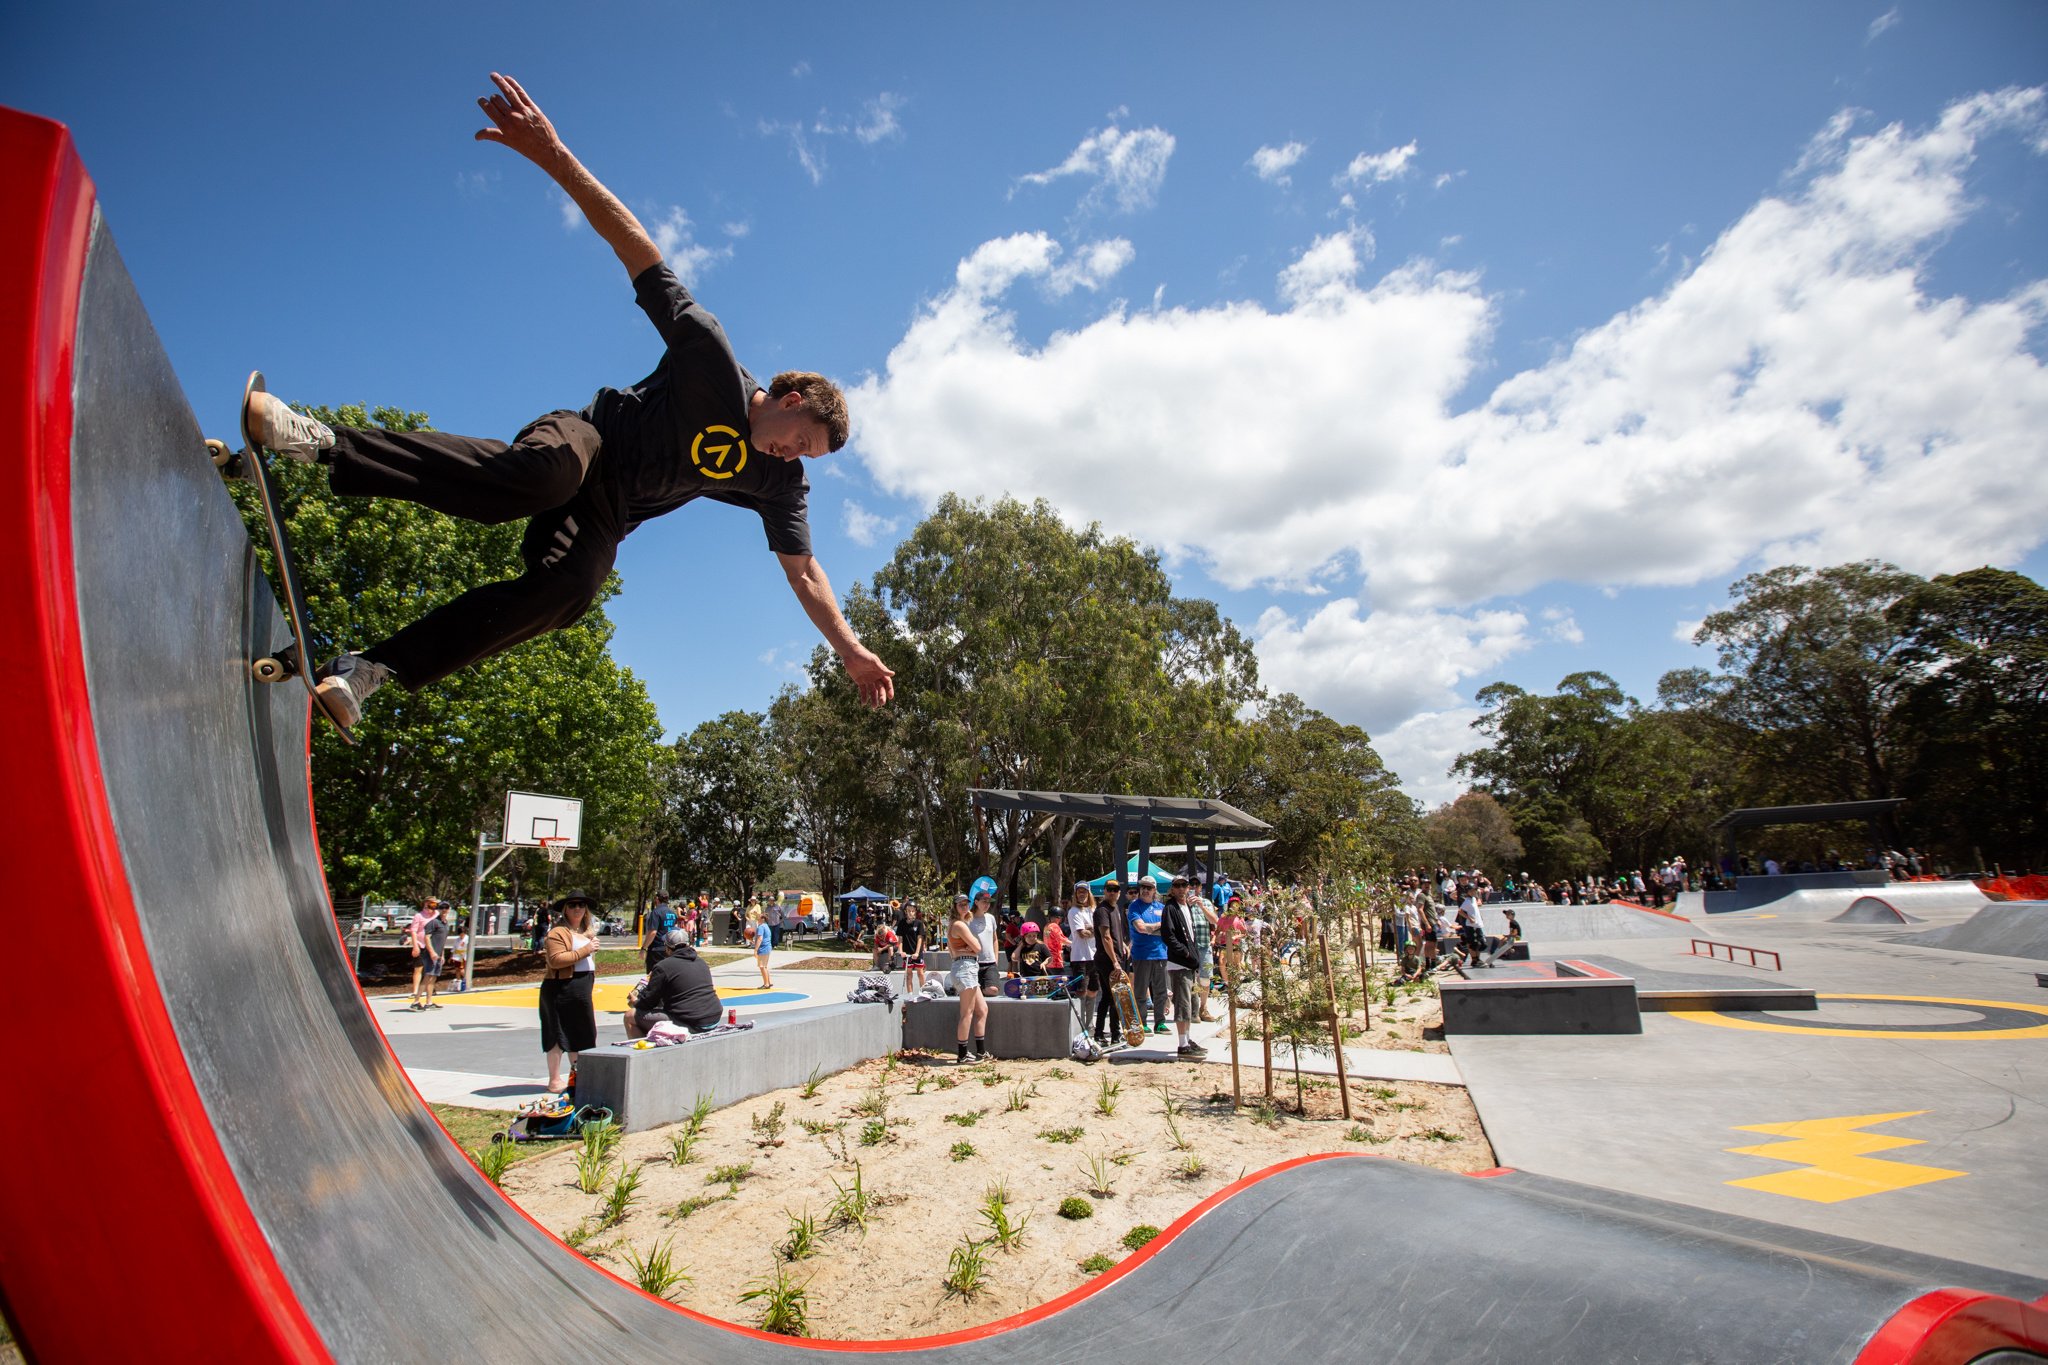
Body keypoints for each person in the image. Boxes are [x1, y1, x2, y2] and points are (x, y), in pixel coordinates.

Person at [241, 73, 896, 732]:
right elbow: (637, 249)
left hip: (607, 513)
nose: (789, 456)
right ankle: (323, 442)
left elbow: (805, 571)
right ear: (787, 398)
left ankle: (373, 669)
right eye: (797, 440)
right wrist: (551, 153)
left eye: (800, 456)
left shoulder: (779, 483)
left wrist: (850, 650)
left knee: (572, 589)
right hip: (587, 442)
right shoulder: (710, 356)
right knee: (542, 475)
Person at [541, 890, 600, 1092]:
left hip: (581, 989)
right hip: (561, 988)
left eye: (581, 905)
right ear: (565, 909)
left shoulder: (585, 933)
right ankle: (554, 1080)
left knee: (581, 1033)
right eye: (573, 905)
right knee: (558, 1034)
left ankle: (577, 1076)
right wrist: (587, 949)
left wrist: (588, 945)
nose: (577, 909)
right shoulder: (557, 932)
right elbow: (556, 960)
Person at [625, 930, 722, 1039]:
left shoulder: (663, 967)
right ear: (688, 944)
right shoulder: (700, 962)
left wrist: (636, 1002)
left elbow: (648, 1003)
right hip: (713, 1017)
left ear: (667, 947)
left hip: (692, 1022)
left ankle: (642, 1054)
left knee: (629, 1016)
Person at [1158, 882, 1203, 1057]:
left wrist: (1192, 954)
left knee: (1190, 1003)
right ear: (1172, 890)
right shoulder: (1170, 908)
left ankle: (1188, 1039)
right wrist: (1184, 952)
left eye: (1184, 886)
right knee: (1183, 1004)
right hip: (1179, 964)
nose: (1181, 890)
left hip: (1190, 962)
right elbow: (1167, 935)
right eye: (1177, 887)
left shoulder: (1186, 907)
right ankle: (1182, 1044)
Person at [945, 895, 990, 1063]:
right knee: (967, 1013)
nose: (964, 907)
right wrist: (968, 950)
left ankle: (981, 1051)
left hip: (966, 967)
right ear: (955, 907)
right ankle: (962, 1053)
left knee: (982, 1009)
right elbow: (978, 947)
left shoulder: (957, 925)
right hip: (965, 969)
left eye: (966, 904)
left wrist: (963, 951)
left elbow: (954, 952)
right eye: (960, 904)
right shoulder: (958, 925)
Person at [1126, 877, 1170, 1036]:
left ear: (1154, 890)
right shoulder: (1134, 907)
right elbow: (1141, 928)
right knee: (1140, 991)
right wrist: (1159, 926)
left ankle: (1160, 1023)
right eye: (1143, 887)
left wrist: (1151, 928)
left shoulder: (1162, 907)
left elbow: (1168, 930)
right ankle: (1142, 1023)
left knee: (1161, 991)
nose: (1145, 890)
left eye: (1149, 888)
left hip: (1161, 954)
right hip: (1142, 955)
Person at [1066, 883, 1099, 1030]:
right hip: (1080, 957)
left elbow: (1101, 928)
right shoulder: (1074, 911)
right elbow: (1081, 933)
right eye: (1079, 892)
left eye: (1084, 892)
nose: (1082, 894)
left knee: (1093, 990)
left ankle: (1089, 1024)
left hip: (1095, 956)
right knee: (1081, 991)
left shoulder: (1094, 910)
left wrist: (1091, 929)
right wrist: (1093, 929)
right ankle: (1080, 1026)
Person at [413, 901, 451, 1010]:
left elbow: (442, 941)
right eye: (441, 908)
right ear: (438, 909)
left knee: (433, 978)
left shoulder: (445, 923)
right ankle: (416, 1002)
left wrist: (442, 954)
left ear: (449, 909)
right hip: (430, 954)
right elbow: (427, 938)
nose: (444, 910)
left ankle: (428, 1002)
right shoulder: (433, 923)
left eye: (446, 907)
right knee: (427, 976)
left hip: (438, 954)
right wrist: (432, 952)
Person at [900, 904, 928, 997]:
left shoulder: (919, 923)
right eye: (909, 911)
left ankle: (923, 992)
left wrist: (917, 952)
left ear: (915, 912)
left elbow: (920, 938)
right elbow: (900, 939)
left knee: (920, 973)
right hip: (907, 952)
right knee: (909, 974)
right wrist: (901, 951)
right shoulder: (902, 923)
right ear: (905, 912)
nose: (910, 913)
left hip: (916, 952)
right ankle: (910, 995)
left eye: (912, 911)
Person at [745, 907, 773, 989]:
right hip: (768, 947)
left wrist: (756, 950)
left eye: (759, 917)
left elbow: (760, 939)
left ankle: (766, 984)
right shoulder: (766, 926)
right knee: (765, 966)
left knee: (762, 966)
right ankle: (768, 982)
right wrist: (752, 940)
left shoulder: (761, 927)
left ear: (762, 919)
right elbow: (761, 938)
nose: (757, 918)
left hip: (763, 948)